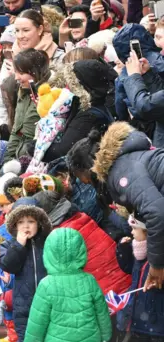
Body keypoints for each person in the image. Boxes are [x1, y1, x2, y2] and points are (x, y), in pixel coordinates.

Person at [68, 121, 164, 292]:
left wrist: (157, 265)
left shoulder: (120, 171)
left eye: (81, 178)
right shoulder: (124, 161)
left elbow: (157, 212)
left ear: (88, 170)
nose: (85, 184)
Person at [24, 228, 112, 342]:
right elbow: (102, 313)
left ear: (49, 253)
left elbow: (37, 322)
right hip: (90, 339)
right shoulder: (89, 280)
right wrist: (106, 335)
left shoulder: (46, 285)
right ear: (80, 251)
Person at [0, 10, 63, 132]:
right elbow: (0, 102)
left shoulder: (58, 56)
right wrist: (5, 129)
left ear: (40, 29)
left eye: (26, 30)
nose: (20, 36)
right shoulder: (10, 58)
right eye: (17, 31)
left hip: (46, 129)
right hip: (15, 130)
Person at [0, 198, 53, 342]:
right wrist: (19, 245)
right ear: (15, 225)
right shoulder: (9, 244)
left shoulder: (48, 241)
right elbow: (7, 265)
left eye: (31, 221)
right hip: (23, 306)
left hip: (48, 304)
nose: (26, 226)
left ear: (39, 223)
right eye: (21, 222)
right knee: (25, 339)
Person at [116, 214, 164, 342]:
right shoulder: (137, 249)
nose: (131, 232)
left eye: (134, 228)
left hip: (155, 319)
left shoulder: (158, 256)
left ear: (147, 232)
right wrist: (123, 249)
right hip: (137, 314)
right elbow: (128, 268)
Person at [4, 49, 51, 163]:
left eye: (21, 73)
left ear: (35, 72)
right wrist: (8, 161)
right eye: (15, 72)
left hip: (37, 160)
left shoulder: (50, 95)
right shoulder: (23, 92)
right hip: (19, 157)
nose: (16, 78)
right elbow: (17, 131)